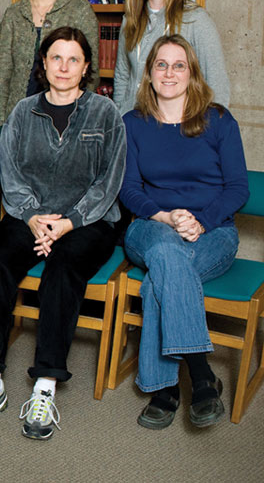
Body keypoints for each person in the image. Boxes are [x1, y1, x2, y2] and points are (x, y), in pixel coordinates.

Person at [0, 26, 125, 441]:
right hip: (28, 216)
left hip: (88, 221)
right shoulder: (23, 111)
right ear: (44, 64)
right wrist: (34, 217)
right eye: (56, 58)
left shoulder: (107, 114)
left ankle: (44, 387)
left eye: (74, 59)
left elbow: (108, 183)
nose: (64, 67)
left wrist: (67, 222)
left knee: (62, 270)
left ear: (87, 67)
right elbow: (10, 173)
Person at [119, 34, 248, 430]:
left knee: (159, 279)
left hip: (213, 233)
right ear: (149, 73)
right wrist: (166, 217)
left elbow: (238, 188)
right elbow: (128, 189)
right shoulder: (132, 123)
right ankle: (203, 376)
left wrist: (200, 220)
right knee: (164, 251)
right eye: (161, 64)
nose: (169, 72)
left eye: (179, 65)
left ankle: (164, 390)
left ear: (191, 73)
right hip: (151, 227)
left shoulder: (219, 120)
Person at [113, 0, 230, 114]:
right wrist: (119, 115)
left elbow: (217, 84)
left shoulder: (196, 19)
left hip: (177, 126)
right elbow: (123, 76)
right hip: (131, 125)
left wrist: (208, 132)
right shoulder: (129, 20)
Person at [0, 0, 98, 126]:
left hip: (67, 114)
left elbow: (92, 70)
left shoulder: (79, 10)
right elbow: (3, 72)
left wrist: (81, 113)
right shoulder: (14, 13)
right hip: (19, 115)